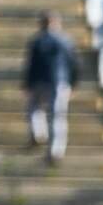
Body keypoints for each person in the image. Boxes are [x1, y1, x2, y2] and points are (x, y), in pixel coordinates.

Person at [23, 11, 77, 163]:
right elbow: (73, 65)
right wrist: (72, 83)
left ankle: (39, 133)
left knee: (35, 110)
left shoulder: (36, 41)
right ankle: (56, 149)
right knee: (57, 116)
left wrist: (27, 84)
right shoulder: (65, 40)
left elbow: (30, 65)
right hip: (59, 82)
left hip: (39, 82)